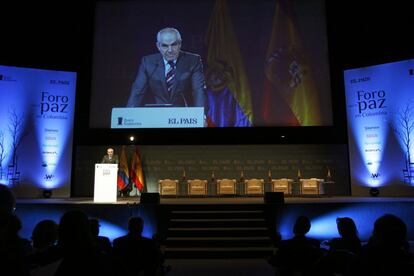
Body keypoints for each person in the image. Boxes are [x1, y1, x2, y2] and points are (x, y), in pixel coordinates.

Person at [127, 27, 208, 111]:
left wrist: (201, 115)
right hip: (158, 114)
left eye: (174, 45)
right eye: (165, 46)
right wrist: (128, 115)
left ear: (180, 44)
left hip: (184, 114)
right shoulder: (148, 62)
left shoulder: (193, 61)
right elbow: (137, 92)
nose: (170, 50)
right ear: (158, 46)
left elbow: (199, 91)